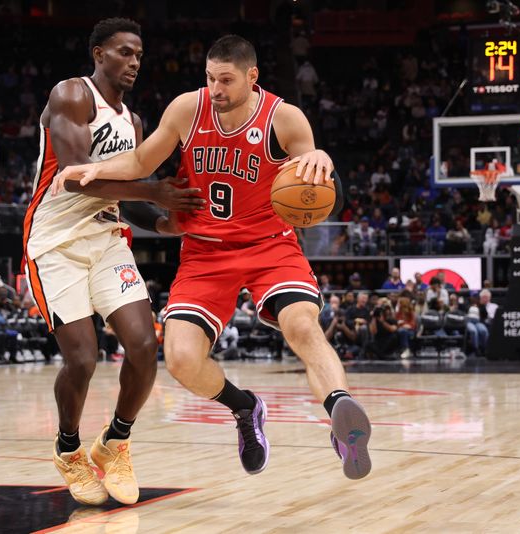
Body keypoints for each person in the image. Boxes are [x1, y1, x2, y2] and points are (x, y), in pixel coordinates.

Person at [53, 34, 370, 480]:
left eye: (226, 79)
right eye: (210, 77)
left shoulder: (285, 117)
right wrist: (95, 168)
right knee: (181, 359)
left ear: (252, 76)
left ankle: (341, 415)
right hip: (204, 253)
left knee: (301, 325)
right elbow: (142, 161)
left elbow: (317, 174)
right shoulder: (188, 108)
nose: (216, 88)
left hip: (270, 246)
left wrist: (320, 157)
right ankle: (245, 407)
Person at [21, 18, 205, 506]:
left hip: (106, 237)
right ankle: (68, 450)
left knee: (144, 346)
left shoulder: (135, 122)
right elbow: (79, 177)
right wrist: (155, 189)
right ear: (99, 53)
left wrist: (164, 221)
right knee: (82, 358)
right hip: (55, 243)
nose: (134, 63)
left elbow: (125, 199)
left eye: (139, 56)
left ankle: (115, 443)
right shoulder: (71, 95)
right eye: (125, 52)